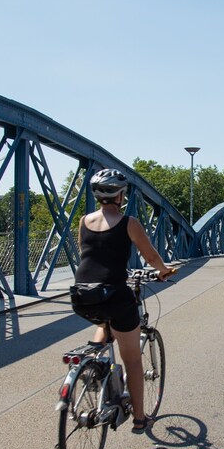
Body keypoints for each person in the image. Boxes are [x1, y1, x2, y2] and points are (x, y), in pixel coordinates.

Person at [71, 169, 176, 434]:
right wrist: (163, 270)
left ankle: (94, 363)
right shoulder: (129, 223)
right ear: (120, 195)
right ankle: (140, 419)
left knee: (103, 322)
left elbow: (88, 254)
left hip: (82, 295)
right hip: (115, 297)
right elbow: (150, 257)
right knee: (132, 360)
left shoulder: (83, 221)